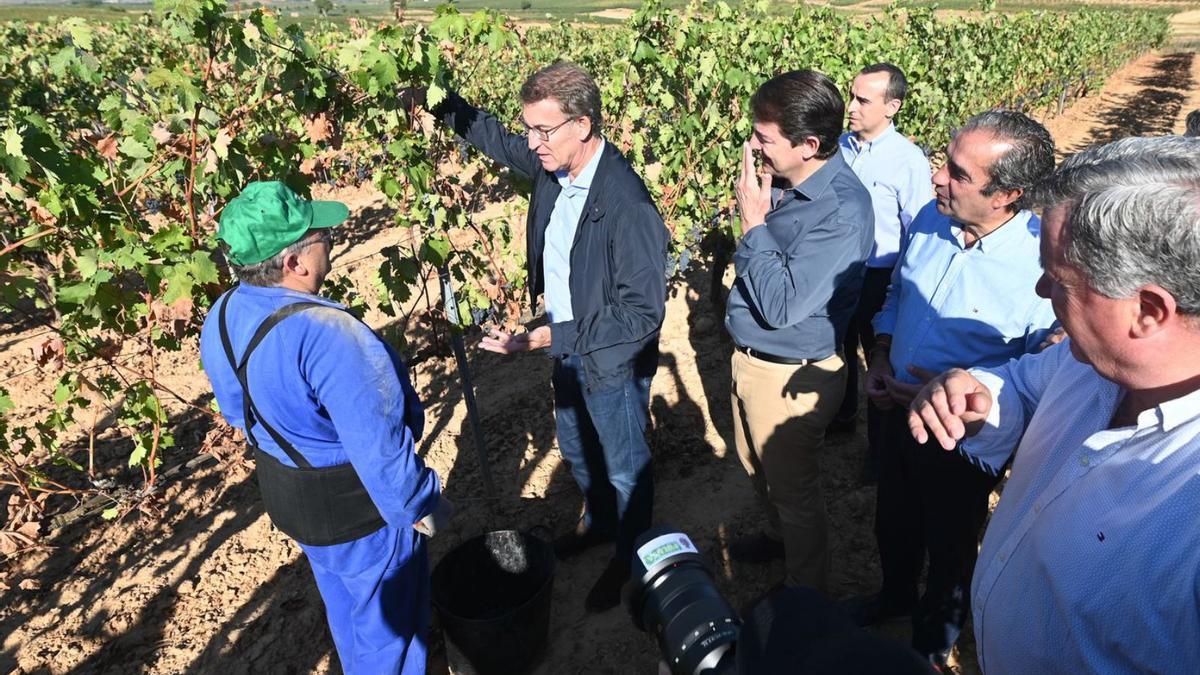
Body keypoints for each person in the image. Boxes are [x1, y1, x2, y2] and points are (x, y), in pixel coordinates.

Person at [907, 135, 1200, 672]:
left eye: (1061, 279)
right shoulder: (1088, 362)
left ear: (1149, 311)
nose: (1042, 291)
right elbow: (1022, 383)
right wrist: (978, 394)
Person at [426, 62, 668, 611]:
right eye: (528, 128)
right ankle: (599, 524)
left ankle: (630, 562)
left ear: (582, 125)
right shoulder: (552, 167)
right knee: (579, 448)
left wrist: (547, 337)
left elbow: (640, 314)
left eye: (542, 130)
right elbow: (493, 137)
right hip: (567, 344)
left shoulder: (626, 203)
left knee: (626, 466)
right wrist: (437, 95)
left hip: (607, 356)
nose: (530, 142)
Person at [199, 181, 450, 674]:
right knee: (388, 631)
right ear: (295, 263)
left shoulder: (223, 314)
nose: (331, 240)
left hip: (293, 500)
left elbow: (237, 412)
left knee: (347, 607)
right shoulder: (329, 335)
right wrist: (422, 506)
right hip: (358, 512)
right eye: (321, 235)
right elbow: (380, 452)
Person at [855, 110, 1058, 668]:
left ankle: (933, 640)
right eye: (944, 162)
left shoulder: (1042, 264)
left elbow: (1041, 366)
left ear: (1007, 194)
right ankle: (895, 594)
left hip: (961, 439)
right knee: (892, 518)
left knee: (950, 541)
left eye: (957, 172)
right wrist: (879, 351)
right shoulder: (928, 216)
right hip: (892, 411)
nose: (937, 176)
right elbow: (897, 291)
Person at [724, 69, 874, 592]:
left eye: (764, 139)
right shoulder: (791, 181)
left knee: (795, 492)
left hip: (787, 376)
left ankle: (805, 592)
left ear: (809, 144)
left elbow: (784, 303)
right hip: (754, 361)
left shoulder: (843, 212)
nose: (754, 147)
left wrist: (753, 225)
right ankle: (777, 537)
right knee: (755, 466)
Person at [830, 63, 933, 484]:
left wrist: (903, 286)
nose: (851, 107)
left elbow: (920, 228)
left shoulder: (907, 161)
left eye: (862, 100)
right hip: (839, 272)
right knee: (838, 348)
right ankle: (841, 416)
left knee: (878, 359)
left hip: (880, 277)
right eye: (851, 96)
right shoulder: (837, 148)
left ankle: (878, 450)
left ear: (892, 106)